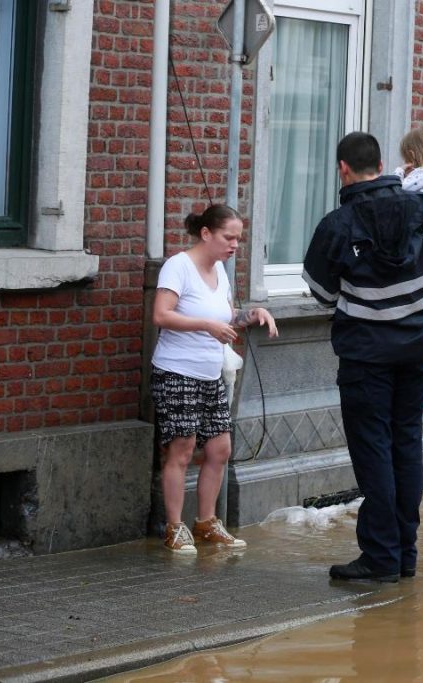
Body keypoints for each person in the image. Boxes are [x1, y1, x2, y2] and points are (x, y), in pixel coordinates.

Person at [303, 131, 423, 583]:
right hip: (416, 350)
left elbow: (322, 294)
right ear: (382, 163)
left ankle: (381, 557)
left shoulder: (338, 224)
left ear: (343, 169)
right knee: (407, 445)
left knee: (374, 453)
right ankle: (405, 554)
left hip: (366, 357)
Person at [152, 204, 279, 554]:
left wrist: (253, 314)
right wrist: (208, 326)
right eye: (229, 237)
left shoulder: (220, 272)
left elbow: (226, 316)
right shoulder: (179, 266)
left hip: (210, 373)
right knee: (181, 449)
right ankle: (175, 528)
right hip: (178, 371)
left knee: (219, 448)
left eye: (239, 238)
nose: (235, 245)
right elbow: (161, 315)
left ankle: (206, 522)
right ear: (206, 234)